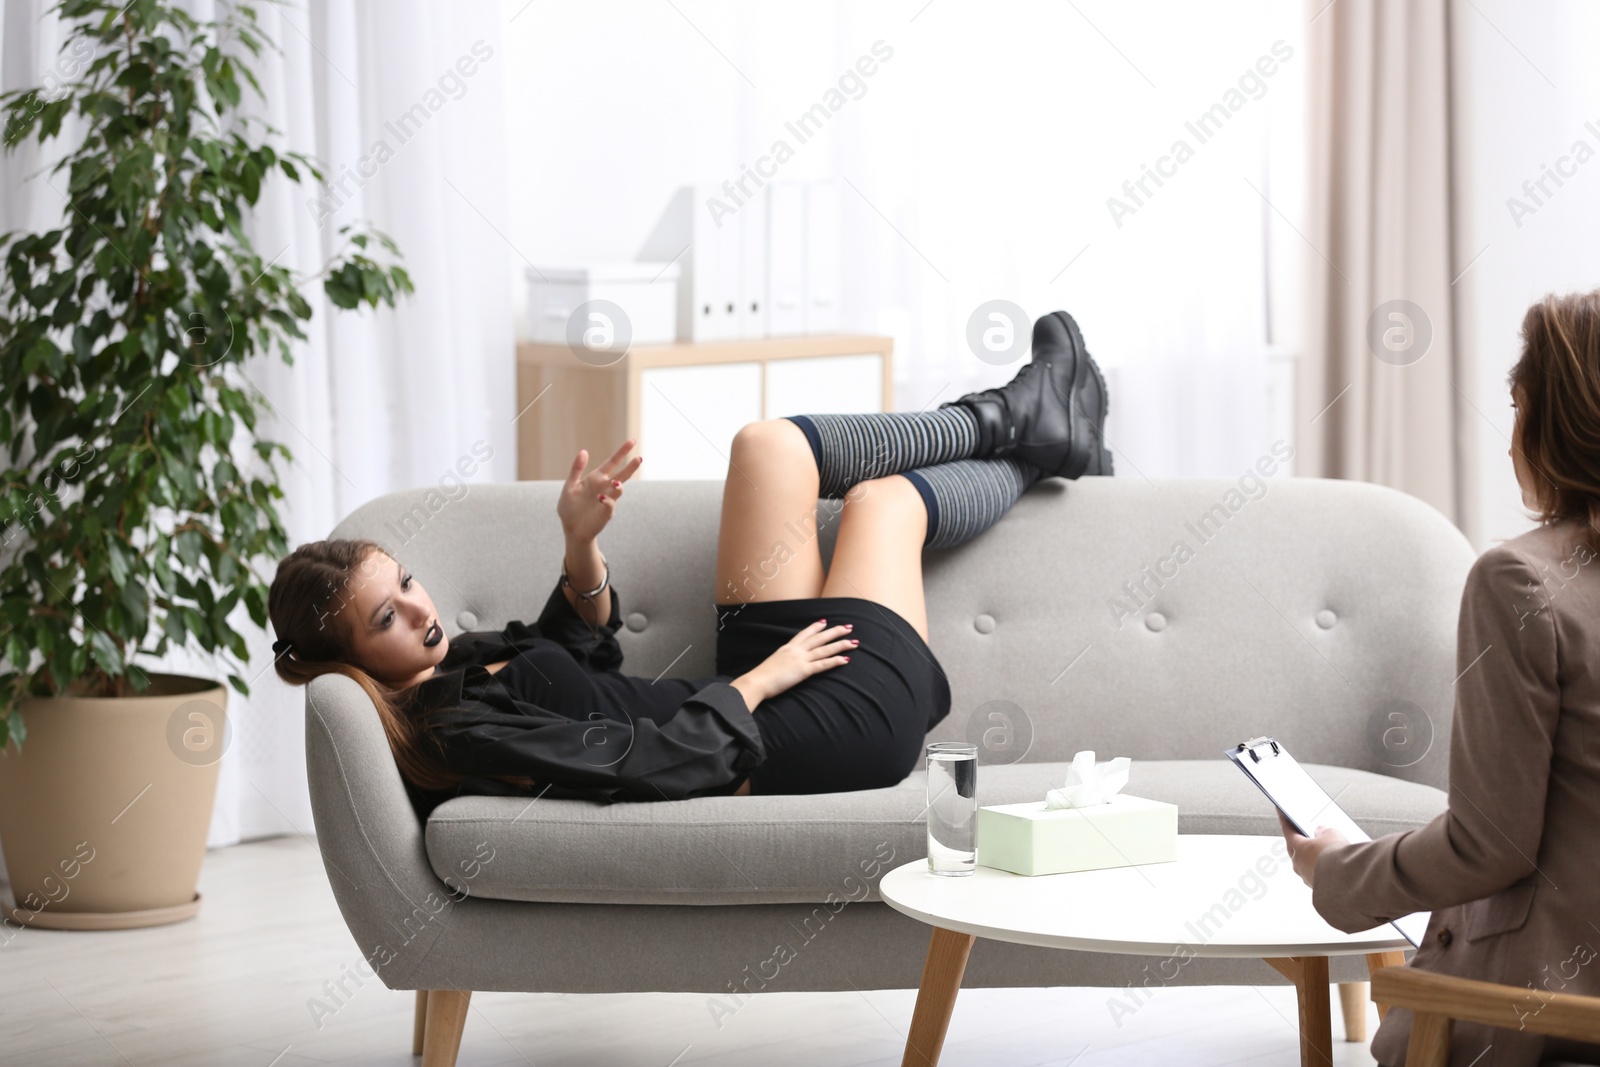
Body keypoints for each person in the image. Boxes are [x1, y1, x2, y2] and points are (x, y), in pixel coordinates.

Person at [268, 311, 1111, 819]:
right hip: (797, 733)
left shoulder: (450, 666)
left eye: (405, 584)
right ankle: (1039, 444)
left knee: (768, 447)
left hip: (754, 688)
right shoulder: (451, 730)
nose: (419, 610)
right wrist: (768, 678)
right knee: (881, 505)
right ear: (348, 664)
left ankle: (1018, 418)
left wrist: (578, 541)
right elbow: (641, 761)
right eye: (385, 618)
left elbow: (586, 661)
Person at [1279, 290, 1600, 1067]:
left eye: (1517, 405)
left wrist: (1335, 867)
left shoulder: (1520, 582)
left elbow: (1491, 846)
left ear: (1548, 422)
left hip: (1545, 1021)